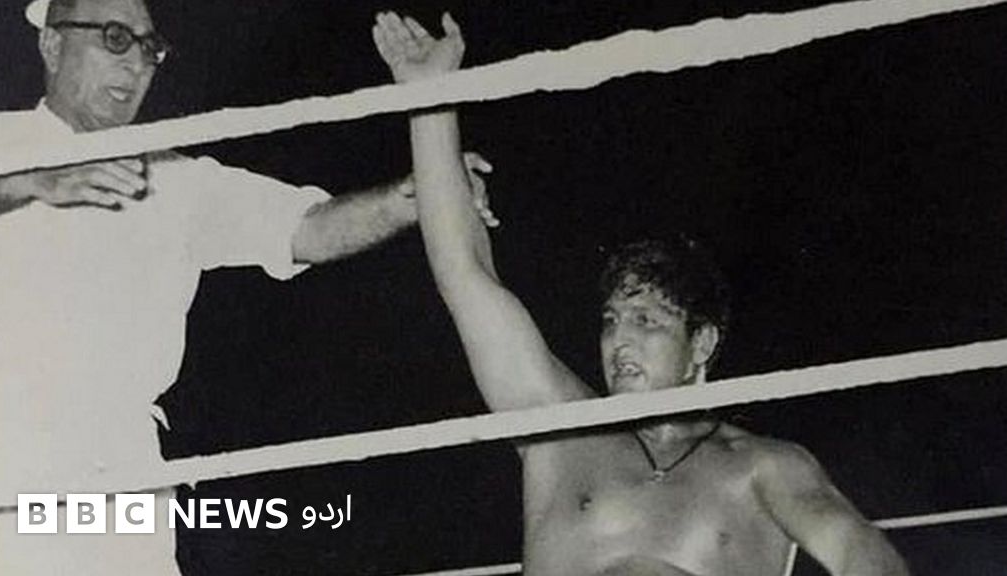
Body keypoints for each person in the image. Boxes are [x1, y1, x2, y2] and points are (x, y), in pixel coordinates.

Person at [373, 11, 910, 576]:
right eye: (611, 321)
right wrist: (430, 98)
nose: (619, 341)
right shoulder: (559, 431)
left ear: (701, 343)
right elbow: (466, 275)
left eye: (647, 321)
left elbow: (861, 552)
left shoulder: (761, 467)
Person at [0, 0, 494, 573]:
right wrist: (30, 179)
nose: (136, 63)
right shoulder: (2, 140)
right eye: (114, 38)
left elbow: (307, 229)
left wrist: (419, 190)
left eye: (150, 48)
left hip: (123, 472)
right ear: (52, 45)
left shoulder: (173, 180)